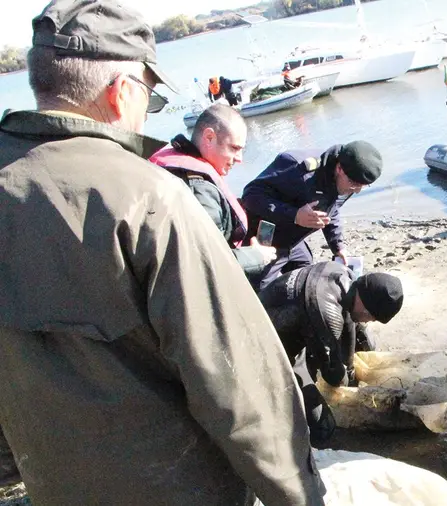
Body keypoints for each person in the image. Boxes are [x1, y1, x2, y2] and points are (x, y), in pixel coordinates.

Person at [0, 1, 325, 505]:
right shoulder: (148, 198)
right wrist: (302, 495)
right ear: (122, 91)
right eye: (149, 99)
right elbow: (236, 382)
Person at [258, 263, 404, 444]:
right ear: (365, 305)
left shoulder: (345, 276)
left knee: (363, 337)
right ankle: (310, 457)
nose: (371, 320)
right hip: (265, 348)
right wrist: (348, 385)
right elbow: (333, 377)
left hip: (294, 323)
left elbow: (350, 323)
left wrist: (350, 368)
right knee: (324, 424)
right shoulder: (327, 313)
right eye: (372, 316)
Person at [149, 104, 276, 283]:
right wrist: (256, 256)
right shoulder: (198, 189)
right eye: (234, 148)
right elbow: (207, 263)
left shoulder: (176, 171)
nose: (239, 158)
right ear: (209, 137)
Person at [242, 141, 383, 290]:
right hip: (266, 235)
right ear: (339, 168)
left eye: (362, 186)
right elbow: (250, 195)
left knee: (305, 277)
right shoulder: (297, 167)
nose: (356, 191)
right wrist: (295, 215)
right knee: (261, 291)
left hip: (294, 240)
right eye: (354, 184)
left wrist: (338, 246)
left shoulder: (348, 181)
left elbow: (331, 209)